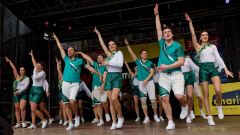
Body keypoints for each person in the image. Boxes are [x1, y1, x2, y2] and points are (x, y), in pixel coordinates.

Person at [185, 13, 234, 125]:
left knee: (218, 90)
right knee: (206, 94)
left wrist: (225, 69)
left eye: (206, 35)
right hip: (203, 70)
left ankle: (219, 107)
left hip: (212, 68)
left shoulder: (213, 46)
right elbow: (192, 35)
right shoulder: (198, 47)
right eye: (203, 35)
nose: (205, 36)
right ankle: (210, 116)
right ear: (200, 37)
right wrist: (190, 23)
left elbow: (218, 58)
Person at [53, 33, 101, 130]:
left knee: (72, 100)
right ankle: (71, 122)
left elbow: (89, 68)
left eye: (71, 50)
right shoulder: (66, 59)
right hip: (65, 84)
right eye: (69, 50)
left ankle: (77, 116)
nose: (69, 51)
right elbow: (61, 48)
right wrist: (56, 38)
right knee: (66, 104)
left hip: (75, 84)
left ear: (75, 52)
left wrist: (99, 74)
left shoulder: (80, 61)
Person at [154, 4, 188, 129]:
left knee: (179, 96)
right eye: (165, 32)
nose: (166, 33)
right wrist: (157, 15)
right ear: (163, 36)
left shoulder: (178, 46)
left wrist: (166, 67)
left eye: (169, 32)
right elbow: (158, 29)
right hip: (163, 76)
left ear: (172, 34)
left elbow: (181, 62)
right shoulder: (162, 43)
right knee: (164, 99)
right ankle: (170, 121)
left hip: (176, 74)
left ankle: (184, 106)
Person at [93, 27, 124, 130]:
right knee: (111, 101)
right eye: (109, 45)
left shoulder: (119, 53)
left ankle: (120, 117)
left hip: (117, 76)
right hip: (109, 78)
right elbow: (102, 44)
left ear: (116, 46)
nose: (110, 46)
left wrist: (108, 62)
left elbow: (120, 64)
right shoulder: (108, 55)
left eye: (112, 44)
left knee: (115, 98)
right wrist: (98, 34)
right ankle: (114, 122)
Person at [124, 38, 160, 123]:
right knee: (143, 101)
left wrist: (146, 80)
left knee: (153, 100)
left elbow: (152, 72)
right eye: (143, 53)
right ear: (140, 55)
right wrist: (128, 45)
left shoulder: (150, 63)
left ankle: (155, 115)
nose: (145, 54)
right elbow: (132, 54)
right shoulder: (138, 62)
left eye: (146, 53)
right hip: (141, 83)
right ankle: (146, 117)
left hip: (150, 82)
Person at [78, 52, 111, 126]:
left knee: (103, 101)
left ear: (103, 59)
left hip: (103, 86)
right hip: (95, 87)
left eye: (101, 57)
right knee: (97, 104)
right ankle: (101, 120)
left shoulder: (106, 66)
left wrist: (103, 85)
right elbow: (88, 58)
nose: (99, 59)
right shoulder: (95, 65)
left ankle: (106, 113)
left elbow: (106, 76)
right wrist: (81, 53)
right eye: (98, 58)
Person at [5, 57, 30, 128]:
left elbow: (25, 87)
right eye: (20, 70)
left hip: (23, 93)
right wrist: (9, 61)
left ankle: (23, 122)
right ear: (19, 71)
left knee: (22, 108)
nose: (22, 71)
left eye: (23, 70)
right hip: (16, 93)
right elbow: (14, 68)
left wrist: (19, 92)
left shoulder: (27, 78)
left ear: (25, 71)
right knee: (16, 108)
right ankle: (18, 123)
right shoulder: (17, 77)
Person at [27, 50, 48, 129]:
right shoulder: (36, 69)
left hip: (38, 91)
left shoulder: (43, 73)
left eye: (39, 65)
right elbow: (34, 63)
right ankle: (33, 124)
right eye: (37, 65)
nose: (37, 66)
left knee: (34, 108)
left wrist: (34, 70)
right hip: (32, 89)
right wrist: (32, 55)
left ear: (42, 67)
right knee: (32, 109)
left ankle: (44, 120)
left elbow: (35, 77)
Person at [55, 58, 68, 126]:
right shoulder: (61, 76)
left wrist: (58, 64)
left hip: (62, 92)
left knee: (63, 107)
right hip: (62, 92)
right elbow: (58, 70)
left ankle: (62, 119)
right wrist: (58, 64)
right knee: (63, 107)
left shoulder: (65, 76)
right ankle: (65, 120)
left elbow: (59, 70)